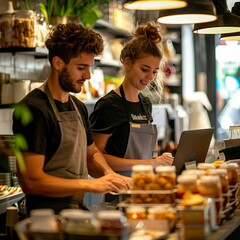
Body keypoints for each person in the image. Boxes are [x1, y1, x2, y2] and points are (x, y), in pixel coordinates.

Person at [12, 23, 132, 215]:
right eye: (81, 67)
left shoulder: (78, 106)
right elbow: (31, 182)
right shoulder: (33, 109)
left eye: (89, 67)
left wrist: (108, 174)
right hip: (44, 218)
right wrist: (90, 185)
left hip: (75, 211)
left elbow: (91, 154)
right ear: (58, 63)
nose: (88, 75)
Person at [89, 22, 174, 201]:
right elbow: (94, 159)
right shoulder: (109, 105)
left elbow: (143, 153)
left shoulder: (145, 104)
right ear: (127, 63)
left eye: (154, 71)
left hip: (146, 190)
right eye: (144, 69)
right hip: (119, 195)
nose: (150, 77)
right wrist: (149, 163)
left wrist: (159, 160)